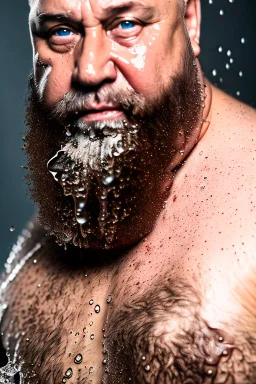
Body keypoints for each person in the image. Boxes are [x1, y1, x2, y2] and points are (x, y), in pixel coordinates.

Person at [0, 0, 256, 382]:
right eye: (62, 31)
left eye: (126, 25)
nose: (88, 70)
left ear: (190, 21)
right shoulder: (62, 222)